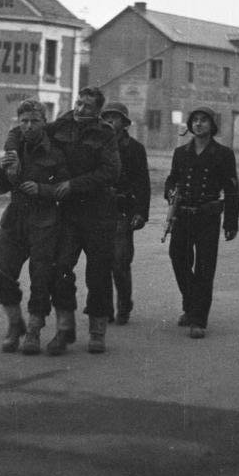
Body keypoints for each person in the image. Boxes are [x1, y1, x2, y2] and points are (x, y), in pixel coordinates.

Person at [39, 87, 120, 355]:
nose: (80, 109)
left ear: (98, 111)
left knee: (98, 274)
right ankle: (65, 328)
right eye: (78, 103)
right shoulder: (62, 125)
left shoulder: (106, 133)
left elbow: (110, 172)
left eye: (87, 106)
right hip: (69, 213)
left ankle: (97, 331)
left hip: (98, 213)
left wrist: (74, 184)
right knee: (60, 268)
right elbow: (36, 134)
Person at [0, 98, 68, 355]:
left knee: (41, 278)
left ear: (44, 123)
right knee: (1, 275)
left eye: (35, 121)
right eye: (24, 121)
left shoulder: (56, 152)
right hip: (15, 219)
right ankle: (15, 324)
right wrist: (4, 171)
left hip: (44, 221)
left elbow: (66, 190)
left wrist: (42, 189)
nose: (29, 126)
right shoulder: (14, 150)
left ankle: (34, 331)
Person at [164, 107, 239, 339]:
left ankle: (198, 319)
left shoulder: (223, 154)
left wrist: (231, 222)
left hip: (207, 215)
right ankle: (190, 304)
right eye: (195, 121)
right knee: (178, 258)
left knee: (205, 268)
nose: (198, 124)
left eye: (203, 121)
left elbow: (232, 190)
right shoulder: (181, 152)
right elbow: (171, 180)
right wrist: (170, 193)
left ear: (212, 125)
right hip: (183, 215)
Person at [100, 102, 151, 325]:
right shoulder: (96, 144)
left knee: (120, 262)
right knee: (101, 263)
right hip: (99, 211)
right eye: (106, 117)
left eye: (115, 117)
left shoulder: (135, 149)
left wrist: (141, 212)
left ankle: (124, 305)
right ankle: (105, 308)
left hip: (123, 211)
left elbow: (143, 183)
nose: (110, 121)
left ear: (125, 123)